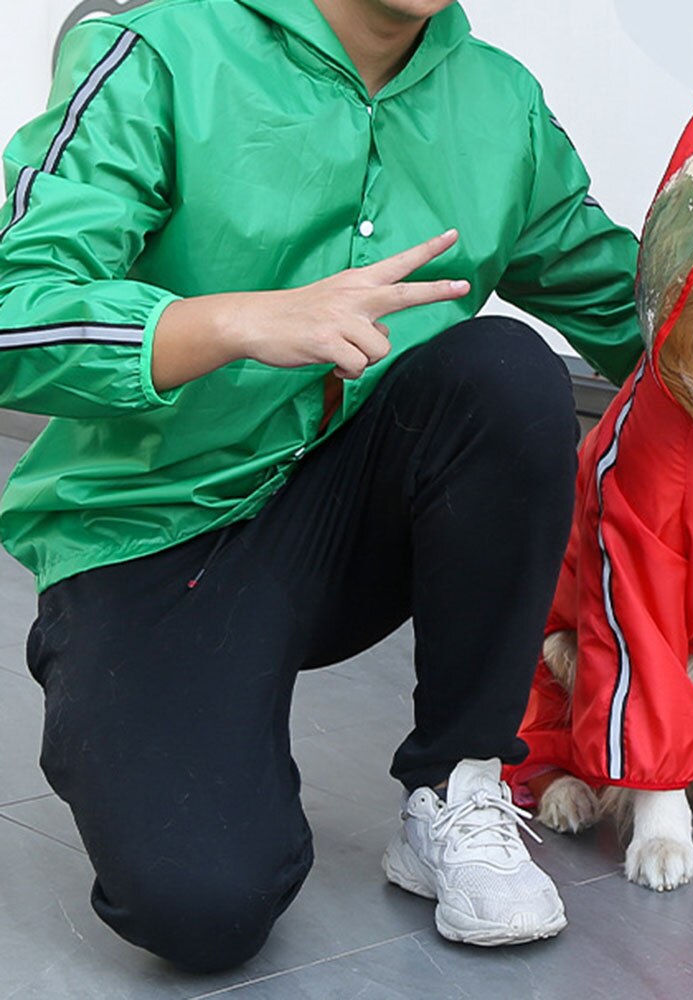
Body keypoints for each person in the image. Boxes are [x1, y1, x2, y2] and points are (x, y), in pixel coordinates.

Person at [0, 0, 642, 972]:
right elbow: (16, 311)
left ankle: (454, 783)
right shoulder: (156, 48)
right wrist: (237, 321)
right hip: (155, 529)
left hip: (353, 526)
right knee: (200, 908)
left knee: (507, 371)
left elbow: (635, 306)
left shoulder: (499, 101)